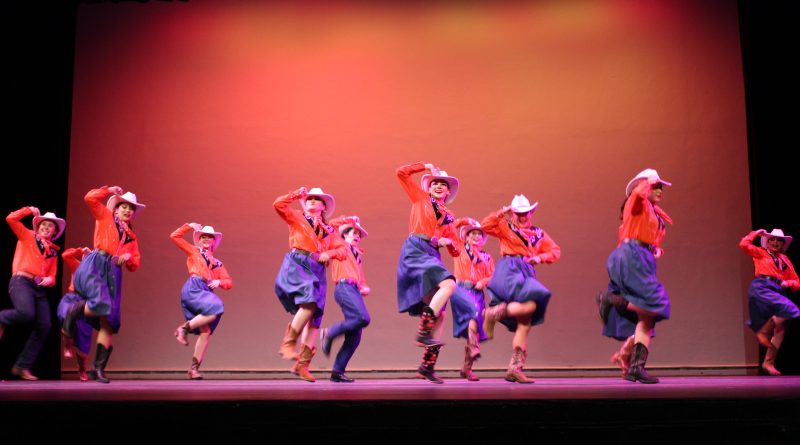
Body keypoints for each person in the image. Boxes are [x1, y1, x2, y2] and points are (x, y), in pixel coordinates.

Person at [597, 169, 672, 384]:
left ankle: (636, 368)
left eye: (660, 187)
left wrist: (656, 250)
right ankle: (611, 300)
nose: (659, 190)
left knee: (648, 317)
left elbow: (650, 238)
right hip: (632, 255)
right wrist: (646, 183)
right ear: (644, 185)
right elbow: (638, 194)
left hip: (643, 257)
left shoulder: (653, 212)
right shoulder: (636, 202)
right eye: (655, 186)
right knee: (657, 305)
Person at [62, 186, 144, 383]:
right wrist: (108, 190)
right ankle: (75, 311)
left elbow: (135, 263)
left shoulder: (131, 236)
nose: (127, 211)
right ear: (116, 209)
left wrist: (128, 257)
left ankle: (98, 369)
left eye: (131, 209)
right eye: (124, 206)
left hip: (114, 273)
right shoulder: (105, 216)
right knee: (101, 303)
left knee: (110, 319)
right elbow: (89, 197)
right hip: (98, 263)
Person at [482, 195, 560, 384]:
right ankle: (491, 313)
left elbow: (555, 250)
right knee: (531, 304)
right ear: (513, 213)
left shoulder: (538, 233)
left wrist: (539, 258)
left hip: (526, 271)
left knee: (525, 319)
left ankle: (515, 368)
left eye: (525, 213)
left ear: (531, 212)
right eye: (518, 213)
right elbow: (485, 225)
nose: (522, 216)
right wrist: (503, 212)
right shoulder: (505, 226)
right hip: (509, 268)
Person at [396, 162, 461, 383]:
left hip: (432, 254)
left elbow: (456, 247)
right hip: (416, 249)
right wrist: (424, 166)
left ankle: (427, 365)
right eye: (436, 183)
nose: (439, 186)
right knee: (449, 284)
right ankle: (423, 330)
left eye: (444, 184)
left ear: (449, 191)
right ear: (429, 187)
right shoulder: (420, 198)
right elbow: (401, 173)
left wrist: (447, 242)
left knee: (441, 311)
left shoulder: (448, 216)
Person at [274, 187, 347, 382]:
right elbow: (278, 205)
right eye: (310, 199)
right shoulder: (297, 217)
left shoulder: (329, 230)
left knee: (315, 318)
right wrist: (296, 195)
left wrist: (328, 253)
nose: (312, 201)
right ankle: (288, 343)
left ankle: (302, 365)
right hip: (299, 262)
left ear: (324, 206)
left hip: (317, 268)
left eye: (317, 199)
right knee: (309, 303)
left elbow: (342, 250)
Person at [0, 208, 64, 380]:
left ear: (55, 231)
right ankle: (1, 318)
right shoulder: (27, 235)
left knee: (45, 325)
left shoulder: (52, 252)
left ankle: (22, 366)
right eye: (43, 224)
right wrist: (28, 210)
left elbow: (52, 275)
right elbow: (10, 218)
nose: (46, 227)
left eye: (50, 226)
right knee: (26, 313)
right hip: (21, 281)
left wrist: (50, 280)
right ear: (38, 227)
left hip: (38, 288)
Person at [171, 223, 233, 380]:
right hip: (194, 288)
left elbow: (228, 281)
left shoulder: (217, 263)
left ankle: (193, 369)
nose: (206, 239)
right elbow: (174, 236)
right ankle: (183, 329)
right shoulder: (194, 251)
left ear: (213, 241)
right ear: (198, 240)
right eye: (203, 237)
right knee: (217, 307)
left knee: (206, 332)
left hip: (205, 291)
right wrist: (188, 226)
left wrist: (219, 282)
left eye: (209, 237)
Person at [739, 228, 799, 375]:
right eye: (772, 239)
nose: (775, 242)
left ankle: (768, 362)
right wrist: (755, 233)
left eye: (779, 240)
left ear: (783, 244)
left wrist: (788, 283)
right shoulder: (760, 252)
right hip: (762, 286)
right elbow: (744, 245)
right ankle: (763, 330)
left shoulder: (785, 260)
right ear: (767, 242)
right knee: (792, 310)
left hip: (776, 290)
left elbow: (797, 282)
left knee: (780, 330)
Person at [320, 216, 371, 383]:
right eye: (353, 232)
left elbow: (360, 274)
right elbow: (332, 226)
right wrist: (349, 220)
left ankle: (337, 372)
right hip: (344, 288)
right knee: (363, 318)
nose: (357, 235)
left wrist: (363, 286)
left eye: (358, 233)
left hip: (353, 289)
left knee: (355, 336)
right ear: (345, 235)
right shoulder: (341, 245)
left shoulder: (357, 254)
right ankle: (329, 333)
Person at [451, 218, 494, 381]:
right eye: (473, 233)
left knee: (475, 327)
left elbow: (492, 275)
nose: (477, 236)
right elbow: (451, 227)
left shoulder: (486, 257)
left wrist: (483, 281)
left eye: (479, 234)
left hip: (477, 292)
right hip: (461, 289)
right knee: (472, 314)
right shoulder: (459, 248)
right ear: (466, 237)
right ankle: (473, 347)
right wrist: (465, 221)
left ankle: (467, 369)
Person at [57, 246, 93, 381]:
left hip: (86, 303)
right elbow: (66, 256)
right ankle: (67, 344)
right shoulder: (77, 266)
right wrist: (80, 251)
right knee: (64, 313)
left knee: (84, 341)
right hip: (72, 298)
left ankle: (82, 367)